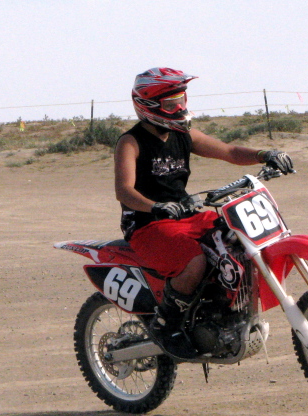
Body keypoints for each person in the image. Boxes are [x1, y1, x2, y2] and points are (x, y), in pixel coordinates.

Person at [114, 67, 294, 359]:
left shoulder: (183, 134)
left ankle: (221, 310)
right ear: (148, 105)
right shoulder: (131, 142)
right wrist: (156, 206)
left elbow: (229, 151)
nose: (180, 107)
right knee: (195, 262)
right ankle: (166, 324)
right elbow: (124, 190)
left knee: (236, 238)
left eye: (181, 99)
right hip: (148, 224)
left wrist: (265, 154)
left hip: (186, 216)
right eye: (171, 103)